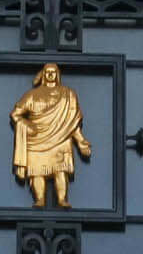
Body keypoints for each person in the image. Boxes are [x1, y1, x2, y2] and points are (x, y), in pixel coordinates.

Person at [8, 63, 91, 208]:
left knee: (60, 171)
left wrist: (81, 142)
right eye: (48, 72)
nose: (51, 74)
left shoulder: (68, 95)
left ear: (58, 75)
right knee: (37, 172)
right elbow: (15, 114)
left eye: (54, 72)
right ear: (43, 75)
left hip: (61, 138)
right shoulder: (32, 95)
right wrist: (25, 125)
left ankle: (62, 199)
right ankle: (39, 199)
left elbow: (71, 124)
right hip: (36, 138)